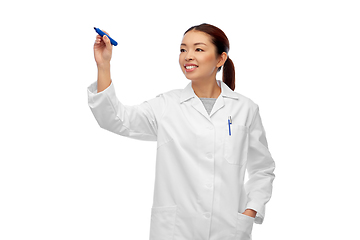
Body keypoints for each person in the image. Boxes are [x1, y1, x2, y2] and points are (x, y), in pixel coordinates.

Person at [87, 23, 275, 240]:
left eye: (199, 49)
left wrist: (251, 211)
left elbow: (262, 169)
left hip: (228, 230)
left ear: (220, 59)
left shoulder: (245, 108)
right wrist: (104, 65)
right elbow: (115, 119)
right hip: (176, 231)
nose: (188, 56)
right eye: (183, 49)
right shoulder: (167, 105)